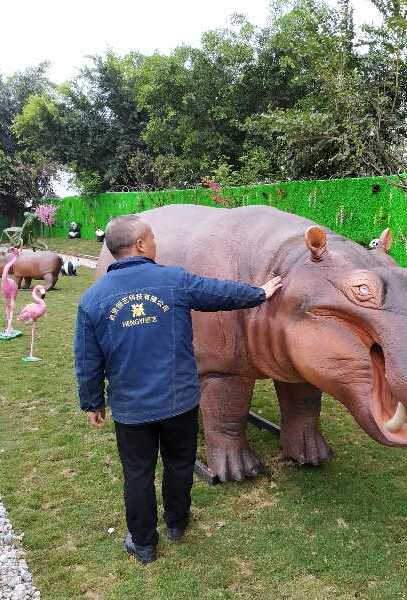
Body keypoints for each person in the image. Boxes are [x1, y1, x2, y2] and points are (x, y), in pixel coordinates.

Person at [74, 215, 282, 565]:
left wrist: (92, 401)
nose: (156, 243)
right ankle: (177, 522)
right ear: (140, 245)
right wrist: (259, 293)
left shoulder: (93, 299)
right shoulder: (174, 280)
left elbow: (86, 359)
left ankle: (143, 544)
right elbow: (219, 293)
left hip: (131, 410)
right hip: (180, 402)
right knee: (179, 464)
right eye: (152, 238)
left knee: (137, 474)